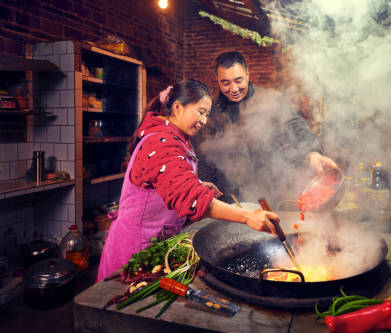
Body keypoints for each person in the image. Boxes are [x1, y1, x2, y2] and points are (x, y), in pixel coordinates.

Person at [97, 80, 280, 282]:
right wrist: (247, 217)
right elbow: (189, 198)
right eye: (200, 111)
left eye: (207, 114)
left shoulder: (174, 136)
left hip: (158, 246)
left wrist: (197, 184)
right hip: (135, 251)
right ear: (177, 107)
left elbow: (164, 180)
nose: (204, 120)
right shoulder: (161, 140)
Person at [194, 51, 338, 204]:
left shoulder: (269, 100)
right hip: (231, 198)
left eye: (238, 80)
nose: (234, 88)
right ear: (217, 80)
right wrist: (205, 194)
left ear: (247, 74)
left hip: (272, 191)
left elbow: (294, 124)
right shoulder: (211, 112)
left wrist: (312, 152)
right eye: (226, 83)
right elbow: (205, 156)